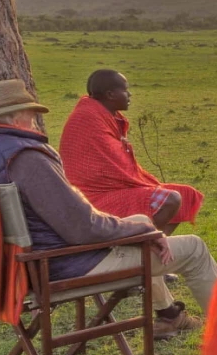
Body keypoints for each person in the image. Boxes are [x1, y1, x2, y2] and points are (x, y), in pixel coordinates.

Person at [0, 79, 217, 339]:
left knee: (138, 219)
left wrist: (139, 225)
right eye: (30, 114)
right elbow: (83, 228)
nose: (33, 121)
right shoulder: (26, 157)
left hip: (4, 265)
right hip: (62, 265)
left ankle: (168, 315)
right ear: (16, 116)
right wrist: (147, 230)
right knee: (194, 249)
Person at [59, 70, 203, 235]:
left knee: (186, 195)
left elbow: (110, 155)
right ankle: (146, 247)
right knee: (171, 199)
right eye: (125, 90)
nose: (130, 94)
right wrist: (124, 149)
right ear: (110, 94)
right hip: (92, 196)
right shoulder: (87, 117)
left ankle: (155, 244)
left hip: (110, 188)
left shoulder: (102, 114)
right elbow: (109, 164)